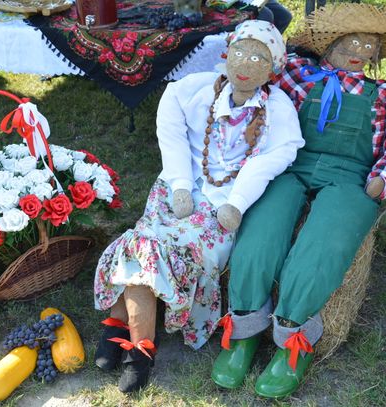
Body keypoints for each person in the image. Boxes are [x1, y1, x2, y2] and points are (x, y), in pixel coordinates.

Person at [211, 3, 386, 399]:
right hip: (291, 161)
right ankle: (243, 331)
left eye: (369, 45)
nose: (359, 49)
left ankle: (293, 341)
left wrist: (384, 176)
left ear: (378, 54)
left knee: (324, 244)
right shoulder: (296, 74)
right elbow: (255, 79)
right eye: (350, 42)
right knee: (261, 231)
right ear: (329, 45)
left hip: (351, 176)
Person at [92, 20, 304, 393]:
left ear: (272, 69)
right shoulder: (195, 90)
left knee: (151, 248)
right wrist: (179, 183)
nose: (246, 63)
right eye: (240, 51)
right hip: (179, 191)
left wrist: (237, 203)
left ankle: (128, 338)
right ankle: (134, 342)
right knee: (146, 240)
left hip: (221, 209)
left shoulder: (277, 110)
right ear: (227, 52)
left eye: (259, 57)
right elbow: (170, 127)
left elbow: (274, 157)